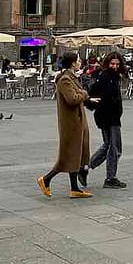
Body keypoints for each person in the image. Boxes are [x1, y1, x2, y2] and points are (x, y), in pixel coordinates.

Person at [38, 53, 99, 198]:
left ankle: (74, 188)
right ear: (72, 63)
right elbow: (72, 99)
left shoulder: (71, 77)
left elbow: (77, 96)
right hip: (71, 123)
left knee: (75, 155)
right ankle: (45, 180)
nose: (80, 62)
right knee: (68, 156)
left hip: (77, 121)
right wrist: (85, 94)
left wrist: (89, 99)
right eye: (78, 60)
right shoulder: (65, 79)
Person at [88, 52, 127, 189]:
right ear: (107, 63)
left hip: (112, 116)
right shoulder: (105, 76)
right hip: (107, 117)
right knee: (115, 148)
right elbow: (92, 93)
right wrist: (94, 104)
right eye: (112, 64)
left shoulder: (114, 77)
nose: (115, 66)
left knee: (108, 146)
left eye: (117, 64)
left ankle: (85, 167)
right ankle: (110, 178)